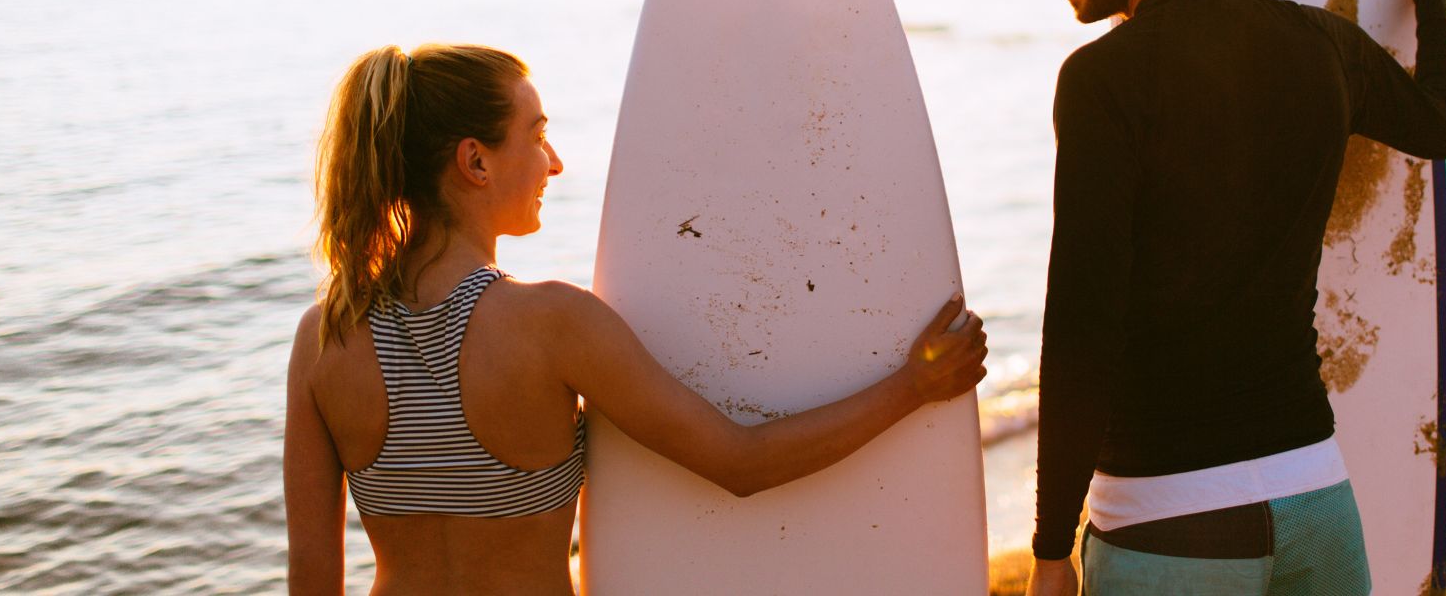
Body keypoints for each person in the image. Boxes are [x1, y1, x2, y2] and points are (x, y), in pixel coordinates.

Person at [283, 44, 987, 595]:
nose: (554, 163)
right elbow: (741, 463)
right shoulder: (551, 325)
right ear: (475, 161)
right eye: (536, 136)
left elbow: (313, 583)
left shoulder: (324, 338)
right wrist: (913, 388)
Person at [1014, 0, 1446, 595]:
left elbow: (1082, 325)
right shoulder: (1319, 46)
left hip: (1164, 521)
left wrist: (1052, 549)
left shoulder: (1102, 81)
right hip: (1315, 501)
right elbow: (1444, 122)